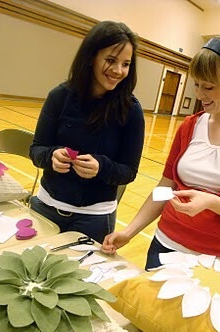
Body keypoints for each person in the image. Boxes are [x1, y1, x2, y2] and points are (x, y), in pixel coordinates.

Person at [102, 34, 220, 272]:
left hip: (219, 263)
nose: (199, 95)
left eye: (209, 87)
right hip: (165, 247)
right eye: (196, 84)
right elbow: (164, 189)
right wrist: (129, 231)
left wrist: (211, 202)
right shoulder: (190, 126)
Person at [29, 21, 145, 243]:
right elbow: (36, 149)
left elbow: (128, 171)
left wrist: (101, 167)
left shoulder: (131, 110)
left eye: (126, 64)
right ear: (91, 57)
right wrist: (51, 156)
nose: (118, 71)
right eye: (111, 60)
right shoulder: (59, 96)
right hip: (46, 208)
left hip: (95, 219)